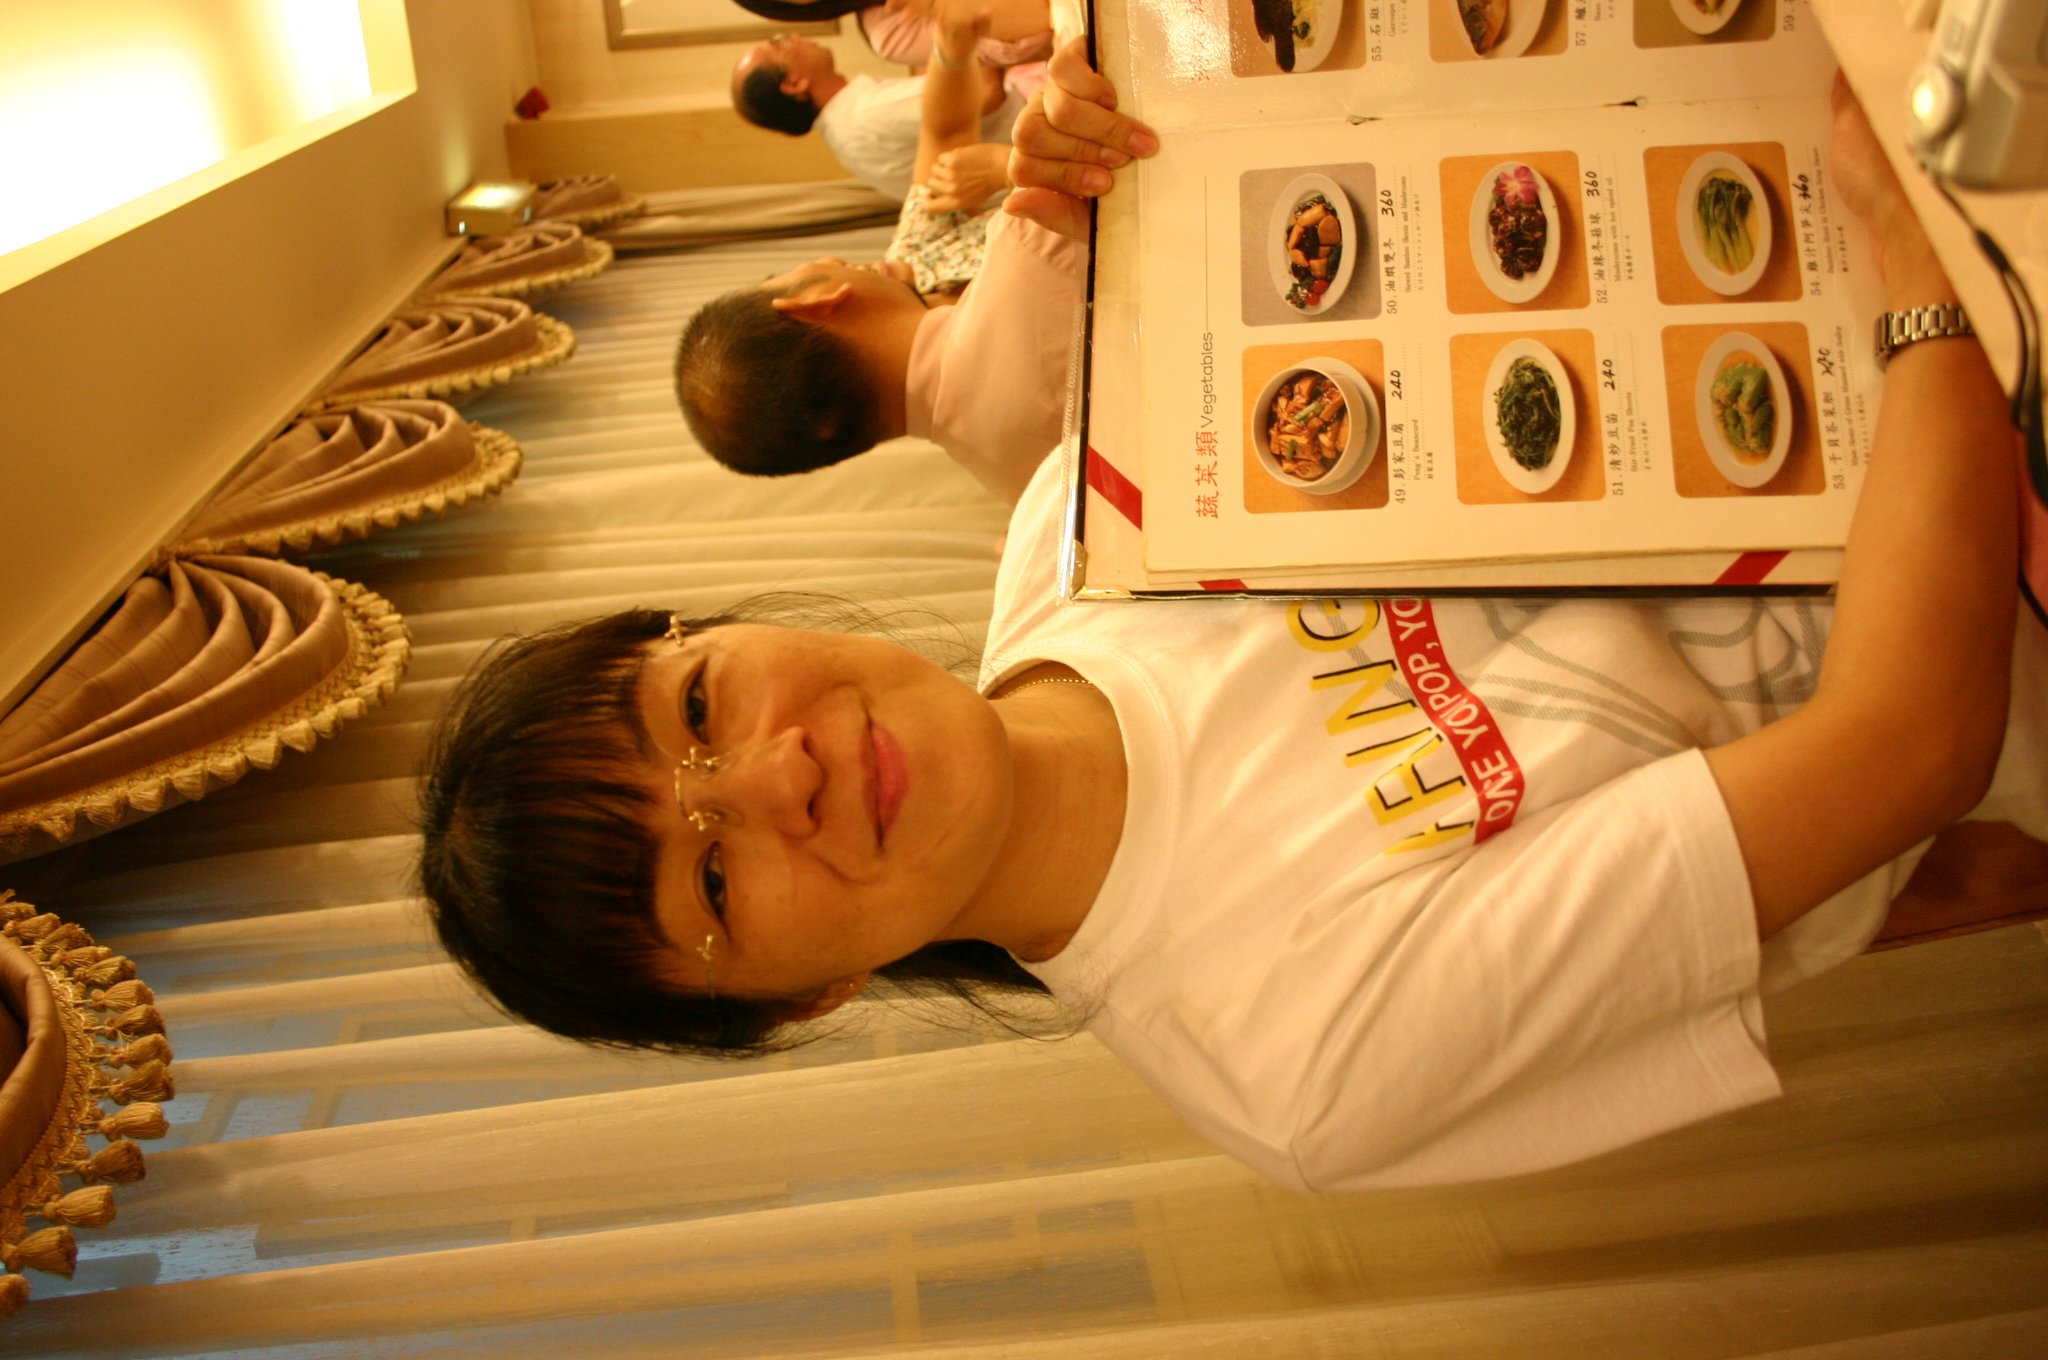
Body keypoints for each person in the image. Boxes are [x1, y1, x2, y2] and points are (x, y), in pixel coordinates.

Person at [420, 46, 2045, 1191]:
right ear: (798, 1003)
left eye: (697, 709)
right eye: (712, 879)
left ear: (712, 634)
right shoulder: (1297, 1058)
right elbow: (1905, 747)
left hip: (1874, 257)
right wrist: (1928, 286)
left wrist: (1163, 117)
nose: (775, 777)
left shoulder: (1074, 518)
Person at [678, 3, 1096, 503]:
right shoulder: (1031, 239)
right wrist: (1010, 166)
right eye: (797, 271)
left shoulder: (1025, 491)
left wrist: (951, 47)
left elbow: (944, 138)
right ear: (813, 301)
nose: (833, 261)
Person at [731, 31, 1024, 203]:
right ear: (794, 83)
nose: (794, 37)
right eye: (779, 45)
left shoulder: (846, 132)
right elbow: (984, 92)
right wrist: (965, 24)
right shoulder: (866, 112)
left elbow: (938, 91)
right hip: (1029, 130)